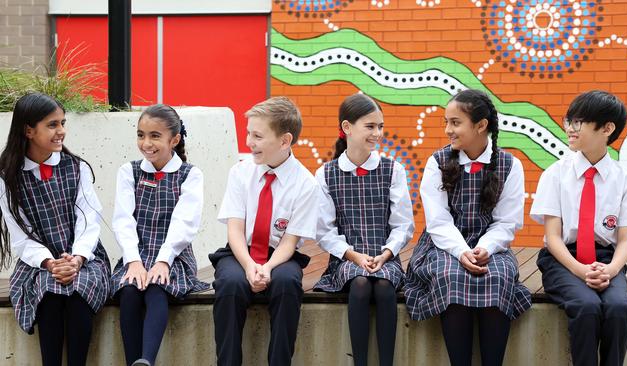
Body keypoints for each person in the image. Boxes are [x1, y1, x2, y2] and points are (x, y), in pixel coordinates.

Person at [404, 89, 531, 366]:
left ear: (481, 125)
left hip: (491, 245)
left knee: (497, 277)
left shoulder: (510, 165)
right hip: (444, 245)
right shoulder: (437, 162)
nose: (448, 130)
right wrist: (462, 251)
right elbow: (438, 221)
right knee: (452, 277)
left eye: (455, 122)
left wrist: (484, 247)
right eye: (446, 122)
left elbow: (507, 222)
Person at [531, 90, 627, 366]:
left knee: (619, 309)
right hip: (562, 260)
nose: (570, 129)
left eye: (579, 122)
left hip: (607, 259)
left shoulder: (625, 180)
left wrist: (610, 269)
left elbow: (625, 242)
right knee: (586, 307)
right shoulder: (555, 174)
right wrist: (580, 269)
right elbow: (552, 237)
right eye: (569, 120)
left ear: (607, 128)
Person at [0, 93, 110, 366]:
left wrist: (77, 259)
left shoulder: (77, 167)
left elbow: (88, 220)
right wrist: (51, 263)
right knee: (49, 292)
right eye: (52, 124)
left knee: (79, 288)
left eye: (63, 122)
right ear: (28, 130)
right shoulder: (7, 178)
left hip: (85, 258)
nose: (61, 131)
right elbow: (21, 236)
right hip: (38, 262)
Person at [210, 96, 318, 366]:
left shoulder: (305, 184)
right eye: (249, 133)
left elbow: (290, 241)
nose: (249, 142)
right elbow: (234, 229)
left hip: (280, 255)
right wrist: (248, 266)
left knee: (287, 284)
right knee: (231, 284)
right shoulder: (240, 173)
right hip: (240, 252)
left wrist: (267, 267)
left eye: (257, 136)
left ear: (284, 141)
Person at [313, 93, 414, 366]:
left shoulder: (393, 170)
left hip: (385, 257)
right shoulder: (326, 173)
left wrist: (386, 253)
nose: (377, 133)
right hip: (346, 259)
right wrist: (353, 255)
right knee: (359, 284)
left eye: (380, 126)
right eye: (370, 126)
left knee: (383, 286)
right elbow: (324, 230)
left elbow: (403, 224)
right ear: (347, 128)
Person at [111, 104, 209, 366]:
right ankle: (134, 361)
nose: (146, 143)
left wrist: (163, 260)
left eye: (155, 136)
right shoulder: (128, 171)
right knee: (130, 290)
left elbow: (184, 223)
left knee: (157, 286)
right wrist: (133, 260)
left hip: (173, 257)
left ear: (174, 140)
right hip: (137, 253)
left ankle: (147, 360)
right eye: (141, 135)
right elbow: (123, 220)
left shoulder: (190, 175)